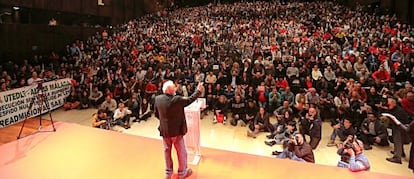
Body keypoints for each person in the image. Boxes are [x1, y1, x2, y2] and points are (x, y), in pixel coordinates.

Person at [154, 80, 203, 179]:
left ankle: (168, 173)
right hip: (176, 132)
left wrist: (165, 122)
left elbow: (156, 114)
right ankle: (182, 172)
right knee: (181, 152)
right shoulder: (176, 100)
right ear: (168, 90)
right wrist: (198, 91)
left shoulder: (158, 99)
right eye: (173, 87)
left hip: (165, 131)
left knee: (167, 152)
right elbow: (190, 99)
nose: (175, 89)